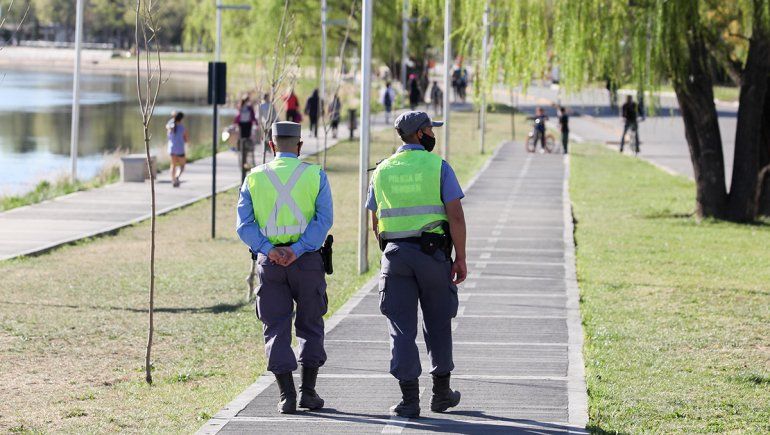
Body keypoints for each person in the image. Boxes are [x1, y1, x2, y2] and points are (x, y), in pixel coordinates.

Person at [366, 111, 468, 418]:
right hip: (433, 255)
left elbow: (375, 221)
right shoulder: (438, 166)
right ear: (422, 133)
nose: (432, 133)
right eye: (430, 129)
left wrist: (390, 252)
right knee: (438, 321)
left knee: (400, 327)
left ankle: (409, 400)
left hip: (395, 255)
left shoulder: (381, 170)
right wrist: (460, 257)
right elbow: (456, 216)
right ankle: (441, 394)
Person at [236, 121, 333, 415]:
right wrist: (299, 249)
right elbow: (323, 219)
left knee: (275, 327)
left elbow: (244, 225)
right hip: (306, 263)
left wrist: (269, 250)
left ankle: (286, 395)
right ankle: (308, 392)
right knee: (310, 324)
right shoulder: (315, 174)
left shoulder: (254, 177)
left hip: (272, 265)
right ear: (300, 146)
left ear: (271, 145)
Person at [167, 112, 188, 188]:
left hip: (171, 149)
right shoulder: (182, 128)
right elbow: (186, 139)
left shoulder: (170, 127)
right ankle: (177, 177)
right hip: (180, 149)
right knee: (182, 165)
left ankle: (173, 180)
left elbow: (168, 128)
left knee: (173, 165)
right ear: (181, 119)